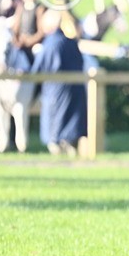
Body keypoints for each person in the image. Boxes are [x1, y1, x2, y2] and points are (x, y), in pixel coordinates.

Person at [29, 9, 87, 155]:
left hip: (55, 92)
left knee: (55, 133)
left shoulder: (50, 44)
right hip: (76, 92)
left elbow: (37, 71)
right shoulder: (71, 43)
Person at [11, 0, 46, 64]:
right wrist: (17, 40)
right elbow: (15, 28)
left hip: (35, 43)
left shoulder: (39, 9)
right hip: (21, 42)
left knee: (38, 50)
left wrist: (28, 41)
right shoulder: (20, 9)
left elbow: (41, 32)